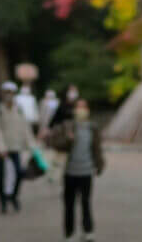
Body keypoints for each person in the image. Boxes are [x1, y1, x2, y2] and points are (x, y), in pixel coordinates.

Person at [50, 97, 105, 241]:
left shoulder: (92, 128)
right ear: (74, 110)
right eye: (78, 107)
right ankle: (69, 233)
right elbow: (55, 143)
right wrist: (68, 139)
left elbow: (97, 149)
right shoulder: (67, 126)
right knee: (69, 204)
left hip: (86, 171)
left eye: (84, 107)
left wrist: (100, 164)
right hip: (70, 172)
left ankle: (88, 230)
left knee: (86, 202)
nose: (81, 110)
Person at [0, 80, 36, 214]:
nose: (9, 95)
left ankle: (14, 196)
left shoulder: (19, 110)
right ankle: (3, 201)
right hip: (2, 148)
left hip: (16, 146)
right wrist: (1, 148)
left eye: (11, 92)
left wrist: (32, 145)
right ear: (2, 94)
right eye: (6, 92)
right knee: (2, 175)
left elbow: (26, 128)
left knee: (19, 173)